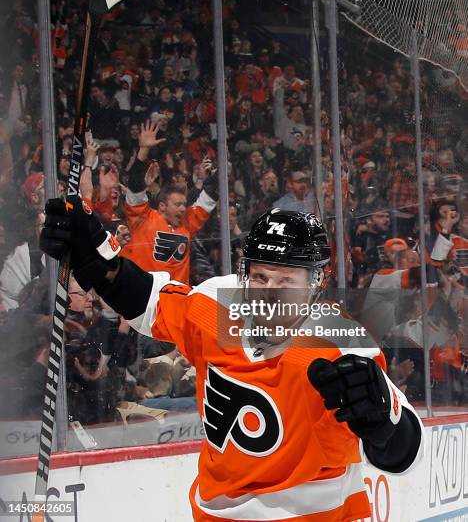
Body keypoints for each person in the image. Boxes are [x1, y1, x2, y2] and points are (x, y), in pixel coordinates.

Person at [41, 199, 423, 522]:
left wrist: (383, 423)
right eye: (260, 276)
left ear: (315, 282)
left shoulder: (340, 343)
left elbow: (405, 452)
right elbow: (151, 302)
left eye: (285, 280)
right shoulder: (219, 304)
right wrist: (96, 261)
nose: (269, 293)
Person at [120, 120, 218, 283]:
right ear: (162, 206)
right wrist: (143, 150)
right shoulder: (143, 218)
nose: (182, 209)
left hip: (175, 302)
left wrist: (216, 175)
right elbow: (135, 188)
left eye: (184, 204)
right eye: (177, 204)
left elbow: (209, 198)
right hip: (143, 300)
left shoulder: (186, 224)